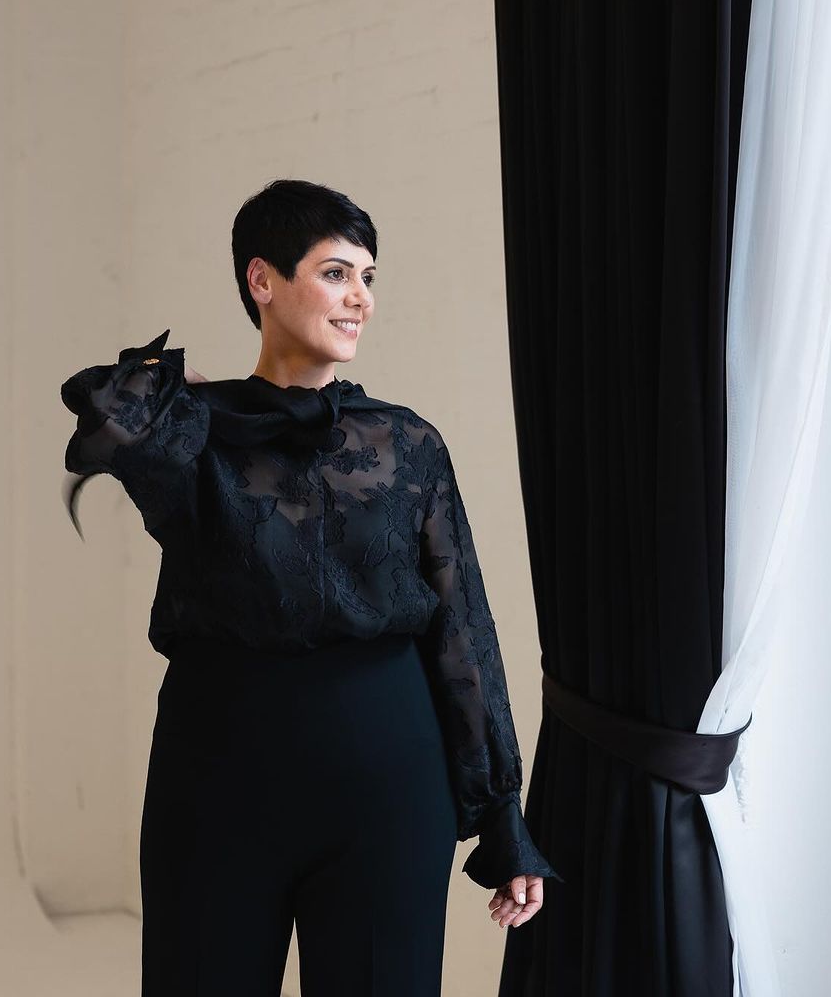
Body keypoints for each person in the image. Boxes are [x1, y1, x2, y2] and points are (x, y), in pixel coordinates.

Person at [59, 178, 562, 996]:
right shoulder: (191, 433)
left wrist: (502, 814)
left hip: (387, 777)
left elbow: (462, 626)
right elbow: (113, 425)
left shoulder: (407, 443)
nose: (361, 297)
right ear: (262, 279)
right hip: (215, 774)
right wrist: (178, 391)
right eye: (336, 273)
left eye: (368, 277)